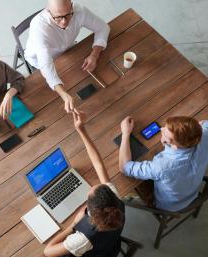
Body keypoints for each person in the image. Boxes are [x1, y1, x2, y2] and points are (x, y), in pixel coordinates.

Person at [44, 111, 124, 257]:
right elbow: (98, 164)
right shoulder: (115, 200)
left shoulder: (83, 238)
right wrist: (81, 130)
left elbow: (47, 251)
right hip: (112, 246)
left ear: (91, 212)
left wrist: (73, 225)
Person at [25, 0, 110, 113]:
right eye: (59, 17)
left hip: (68, 51)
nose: (64, 22)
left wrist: (94, 55)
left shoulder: (78, 10)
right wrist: (63, 94)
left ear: (71, 6)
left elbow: (103, 27)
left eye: (68, 15)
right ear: (48, 11)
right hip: (39, 61)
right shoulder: (39, 27)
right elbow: (46, 66)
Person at [119, 116, 208, 211]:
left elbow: (125, 167)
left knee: (131, 184)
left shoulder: (162, 167)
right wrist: (191, 129)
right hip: (192, 193)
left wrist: (125, 133)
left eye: (164, 133)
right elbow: (205, 123)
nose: (161, 128)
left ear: (171, 143)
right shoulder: (204, 136)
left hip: (168, 205)